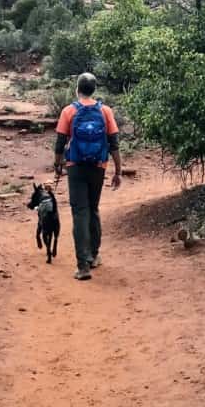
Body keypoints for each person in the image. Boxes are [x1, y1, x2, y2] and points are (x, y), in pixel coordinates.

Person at [54, 72, 122, 280]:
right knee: (93, 209)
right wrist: (117, 171)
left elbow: (59, 143)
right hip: (98, 165)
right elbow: (114, 144)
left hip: (75, 166)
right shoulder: (106, 111)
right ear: (94, 89)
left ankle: (82, 266)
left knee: (80, 212)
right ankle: (94, 256)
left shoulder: (68, 111)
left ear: (77, 89)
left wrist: (57, 164)